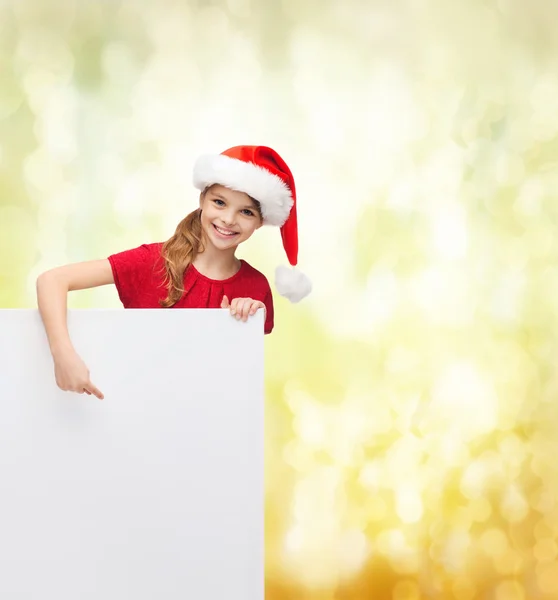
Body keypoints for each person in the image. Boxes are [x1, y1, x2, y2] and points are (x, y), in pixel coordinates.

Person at [36, 145, 311, 400]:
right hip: (133, 410)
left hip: (200, 429)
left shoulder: (255, 288)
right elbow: (52, 280)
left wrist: (234, 329)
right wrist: (63, 355)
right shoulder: (153, 262)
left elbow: (235, 386)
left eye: (246, 212)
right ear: (202, 199)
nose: (228, 219)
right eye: (219, 202)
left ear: (260, 222)